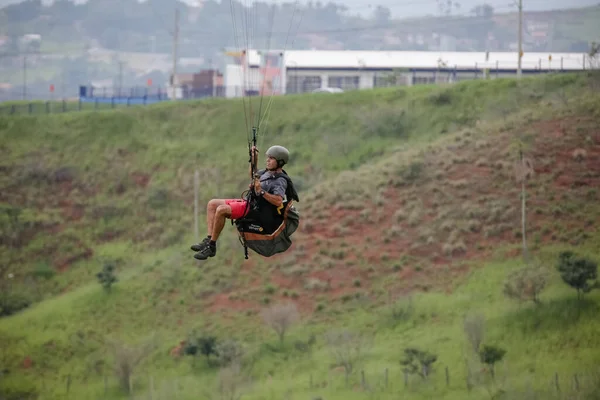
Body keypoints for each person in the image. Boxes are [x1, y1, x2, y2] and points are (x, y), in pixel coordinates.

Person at [191, 145, 292, 260]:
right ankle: (209, 240)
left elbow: (278, 201)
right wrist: (254, 159)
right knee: (212, 204)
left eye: (271, 158)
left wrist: (261, 191)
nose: (268, 160)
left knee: (221, 210)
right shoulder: (267, 172)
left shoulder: (280, 180)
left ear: (280, 162)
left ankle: (212, 246)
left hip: (256, 210)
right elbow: (253, 175)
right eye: (268, 157)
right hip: (249, 201)